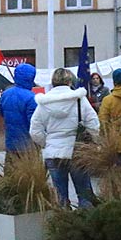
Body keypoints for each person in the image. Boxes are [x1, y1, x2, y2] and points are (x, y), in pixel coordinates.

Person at [30, 68, 99, 208]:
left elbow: (35, 131)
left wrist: (48, 143)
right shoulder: (79, 100)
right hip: (77, 150)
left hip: (54, 153)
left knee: (60, 196)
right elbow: (94, 124)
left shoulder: (43, 103)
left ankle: (63, 223)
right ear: (69, 81)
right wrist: (92, 142)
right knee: (84, 194)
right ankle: (85, 223)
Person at [0, 63, 37, 155]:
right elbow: (34, 123)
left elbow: (1, 113)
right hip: (28, 144)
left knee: (11, 167)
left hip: (10, 143)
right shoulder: (32, 97)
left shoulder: (5, 94)